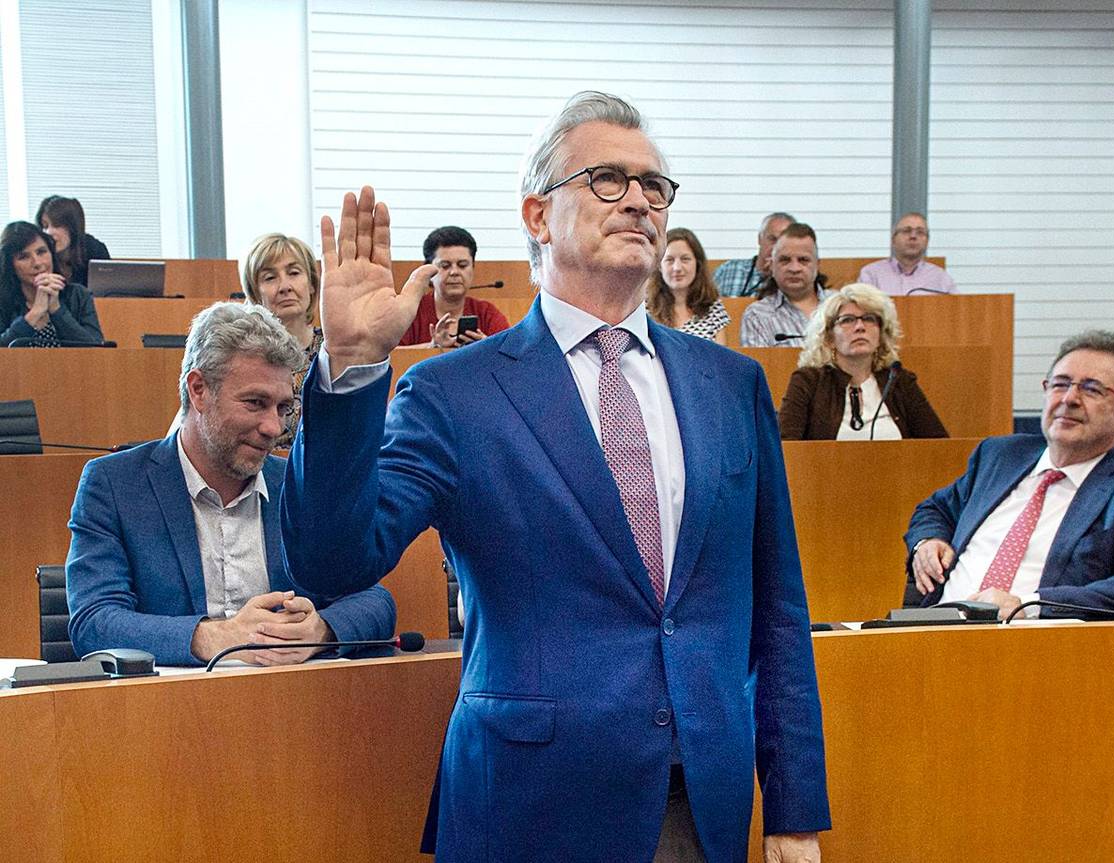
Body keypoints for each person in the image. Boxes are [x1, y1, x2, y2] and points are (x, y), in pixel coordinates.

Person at [281, 92, 830, 862]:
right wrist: (349, 371)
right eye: (608, 178)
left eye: (655, 186)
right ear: (538, 215)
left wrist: (794, 803)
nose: (639, 199)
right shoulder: (454, 392)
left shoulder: (730, 384)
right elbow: (333, 560)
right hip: (525, 802)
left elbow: (777, 607)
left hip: (696, 801)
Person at [65, 302, 396, 667]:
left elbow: (373, 598)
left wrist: (321, 630)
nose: (274, 427)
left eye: (284, 408)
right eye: (256, 403)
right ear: (199, 390)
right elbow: (93, 622)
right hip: (164, 712)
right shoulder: (114, 485)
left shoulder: (296, 483)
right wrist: (217, 636)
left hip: (292, 704)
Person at [905, 330, 1114, 621]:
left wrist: (1028, 605)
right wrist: (927, 541)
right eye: (1060, 384)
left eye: (1091, 389)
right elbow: (936, 508)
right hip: (933, 632)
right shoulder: (1000, 455)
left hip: (1035, 648)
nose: (1069, 398)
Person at [779, 283, 947, 440]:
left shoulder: (898, 381)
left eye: (869, 319)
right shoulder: (808, 381)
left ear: (881, 334)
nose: (860, 327)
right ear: (829, 337)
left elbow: (939, 446)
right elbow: (786, 447)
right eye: (847, 320)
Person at [241, 233, 325, 447]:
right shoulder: (240, 354)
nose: (285, 286)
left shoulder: (335, 350)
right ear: (254, 293)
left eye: (294, 273)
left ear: (312, 285)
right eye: (270, 278)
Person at [398, 225, 510, 347]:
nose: (454, 272)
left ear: (472, 267)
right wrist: (432, 347)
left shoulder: (487, 313)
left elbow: (509, 352)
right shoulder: (411, 312)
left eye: (462, 265)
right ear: (428, 270)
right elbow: (389, 356)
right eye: (445, 265)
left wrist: (487, 346)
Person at [0, 220, 103, 347]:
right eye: (24, 257)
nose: (37, 263)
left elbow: (97, 351)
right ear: (10, 266)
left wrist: (57, 310)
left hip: (71, 367)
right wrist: (34, 314)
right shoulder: (3, 301)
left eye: (41, 252)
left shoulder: (78, 295)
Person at [740, 222, 832, 347]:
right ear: (772, 266)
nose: (794, 268)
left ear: (817, 264)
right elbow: (759, 365)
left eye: (803, 260)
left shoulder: (840, 306)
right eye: (785, 260)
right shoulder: (757, 315)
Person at [647, 227, 729, 343]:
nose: (677, 268)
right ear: (659, 266)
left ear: (697, 264)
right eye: (669, 260)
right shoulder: (645, 309)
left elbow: (720, 358)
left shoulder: (713, 308)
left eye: (685, 259)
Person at [857, 212, 956, 296]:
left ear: (927, 241)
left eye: (920, 232)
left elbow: (958, 311)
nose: (913, 236)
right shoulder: (871, 274)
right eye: (906, 231)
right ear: (893, 239)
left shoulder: (940, 277)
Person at [713, 211, 796, 297]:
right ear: (760, 239)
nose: (776, 247)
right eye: (772, 239)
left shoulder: (795, 278)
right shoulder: (729, 270)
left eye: (783, 242)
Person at [35, 195, 111, 289]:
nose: (48, 232)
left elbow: (106, 292)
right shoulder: (38, 253)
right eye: (45, 226)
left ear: (73, 228)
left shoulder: (94, 249)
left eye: (57, 225)